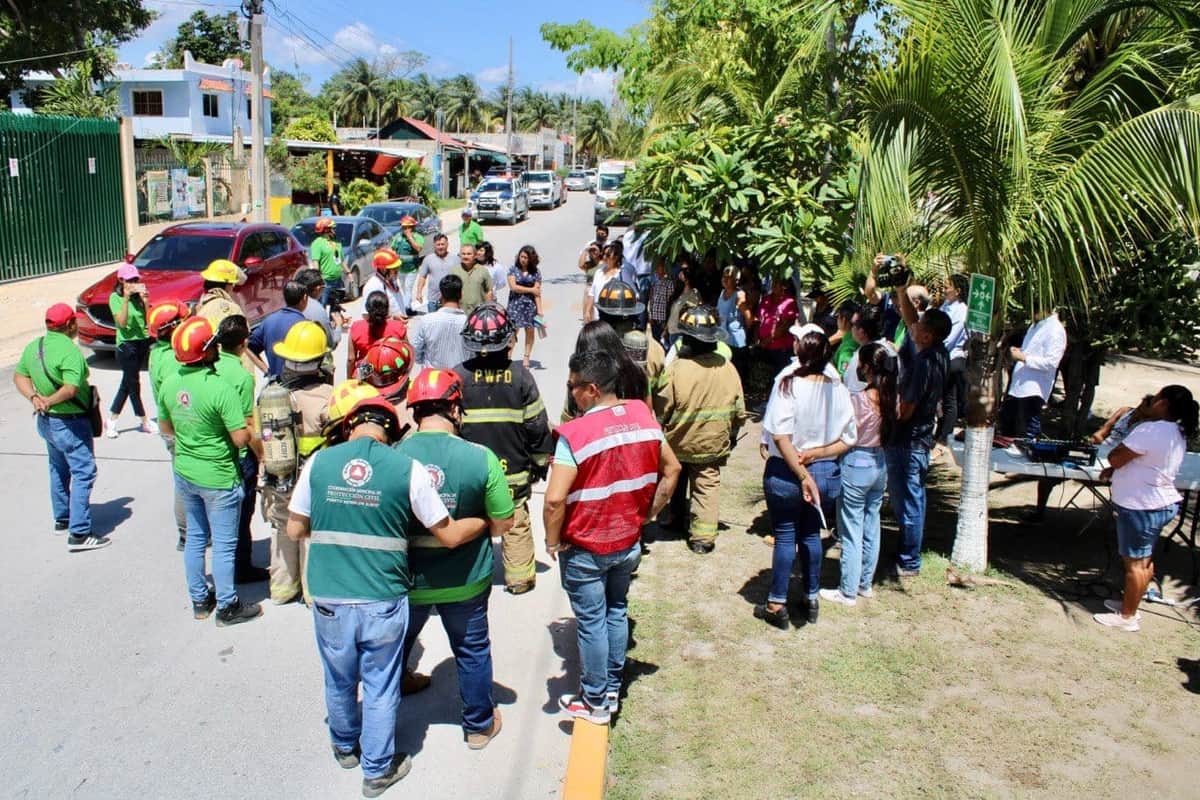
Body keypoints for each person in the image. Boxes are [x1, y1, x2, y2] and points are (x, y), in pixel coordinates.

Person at [286, 394, 488, 798]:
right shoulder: (408, 468)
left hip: (329, 595)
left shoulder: (319, 464)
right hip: (382, 595)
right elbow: (447, 534)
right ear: (392, 432)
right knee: (379, 683)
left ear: (349, 426)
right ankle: (377, 770)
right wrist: (482, 522)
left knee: (339, 677)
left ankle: (345, 747)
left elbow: (294, 531)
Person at [546, 350, 681, 724]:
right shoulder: (643, 415)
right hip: (628, 540)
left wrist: (552, 541)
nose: (570, 394)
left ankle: (594, 702)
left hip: (586, 546)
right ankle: (610, 689)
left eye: (573, 387)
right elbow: (672, 469)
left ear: (591, 389)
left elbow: (555, 499)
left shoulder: (574, 434)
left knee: (591, 621)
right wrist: (648, 513)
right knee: (617, 610)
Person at [397, 369, 515, 748]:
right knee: (472, 649)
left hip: (407, 580)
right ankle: (479, 726)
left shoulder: (393, 456)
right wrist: (477, 523)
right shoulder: (480, 457)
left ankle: (396, 686)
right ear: (455, 408)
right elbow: (503, 523)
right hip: (465, 579)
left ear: (415, 412)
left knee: (399, 641)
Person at [157, 317, 261, 626]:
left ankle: (200, 599)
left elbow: (166, 427)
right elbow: (241, 438)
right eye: (212, 344)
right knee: (225, 544)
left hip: (186, 473)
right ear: (206, 351)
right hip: (218, 476)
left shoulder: (171, 382)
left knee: (196, 538)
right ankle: (228, 606)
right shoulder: (220, 388)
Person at [754, 326, 855, 629]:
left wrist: (801, 470)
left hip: (788, 470)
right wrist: (818, 454)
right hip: (825, 470)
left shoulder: (789, 383)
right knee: (811, 534)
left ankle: (777, 602)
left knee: (786, 534)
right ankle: (811, 596)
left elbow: (781, 435)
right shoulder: (837, 385)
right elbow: (848, 438)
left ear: (800, 351)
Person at [456, 304, 553, 594]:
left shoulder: (457, 377)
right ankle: (520, 577)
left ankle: (470, 579)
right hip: (513, 475)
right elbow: (537, 427)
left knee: (470, 525)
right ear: (508, 340)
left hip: (470, 476)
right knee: (516, 521)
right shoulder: (522, 377)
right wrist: (539, 464)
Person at [1094, 386, 1198, 632]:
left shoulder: (1151, 429)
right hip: (1154, 503)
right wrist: (1117, 469)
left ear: (1163, 403)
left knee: (1135, 565)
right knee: (1144, 560)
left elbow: (1117, 457)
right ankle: (1129, 604)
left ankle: (1127, 617)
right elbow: (1145, 461)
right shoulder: (1176, 430)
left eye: (1157, 397)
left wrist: (1114, 462)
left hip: (1142, 506)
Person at [654, 305, 747, 554]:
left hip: (678, 444)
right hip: (711, 444)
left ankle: (671, 517)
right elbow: (739, 411)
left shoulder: (676, 369)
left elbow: (662, 409)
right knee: (706, 484)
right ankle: (703, 539)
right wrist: (732, 435)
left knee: (675, 475)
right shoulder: (727, 368)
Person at [14, 303, 105, 551]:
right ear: (70, 325)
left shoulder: (36, 346)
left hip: (46, 422)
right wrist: (49, 400)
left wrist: (36, 399)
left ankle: (63, 517)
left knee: (58, 468)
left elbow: (19, 376)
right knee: (84, 471)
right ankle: (79, 533)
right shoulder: (69, 351)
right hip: (70, 422)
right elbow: (71, 388)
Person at [882, 255, 951, 578]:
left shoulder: (923, 364)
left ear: (928, 335)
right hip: (918, 439)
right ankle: (909, 553)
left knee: (907, 502)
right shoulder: (937, 353)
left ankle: (909, 560)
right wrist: (901, 287)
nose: (914, 327)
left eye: (920, 327)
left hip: (909, 441)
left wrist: (885, 411)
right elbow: (910, 316)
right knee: (913, 500)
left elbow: (906, 408)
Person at [257, 331, 337, 605]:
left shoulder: (271, 394)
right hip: (313, 477)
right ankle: (311, 592)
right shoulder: (329, 396)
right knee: (310, 529)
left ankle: (281, 589)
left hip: (278, 475)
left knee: (281, 526)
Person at [820, 342, 897, 606]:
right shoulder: (890, 398)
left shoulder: (859, 400)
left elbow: (842, 431)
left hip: (856, 462)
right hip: (879, 463)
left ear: (865, 367)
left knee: (851, 529)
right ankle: (864, 583)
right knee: (871, 525)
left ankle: (847, 590)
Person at [215, 314, 270, 584]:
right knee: (242, 514)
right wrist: (260, 454)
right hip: (240, 456)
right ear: (244, 343)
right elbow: (248, 423)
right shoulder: (241, 375)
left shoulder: (211, 367)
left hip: (215, 451)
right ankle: (241, 567)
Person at [147, 301, 191, 551]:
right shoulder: (174, 360)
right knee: (187, 482)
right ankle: (188, 534)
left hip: (170, 426)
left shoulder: (157, 353)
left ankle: (187, 533)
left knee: (182, 479)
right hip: (181, 428)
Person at [998, 307, 1067, 438]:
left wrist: (1024, 358)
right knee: (1007, 421)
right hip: (1019, 385)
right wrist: (1018, 352)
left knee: (1027, 427)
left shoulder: (1055, 330)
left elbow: (1051, 362)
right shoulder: (1035, 326)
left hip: (1033, 387)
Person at [106, 264, 154, 438]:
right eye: (130, 280)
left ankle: (111, 420)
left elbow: (148, 323)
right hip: (126, 345)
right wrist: (125, 299)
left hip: (142, 341)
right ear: (121, 281)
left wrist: (146, 302)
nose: (133, 283)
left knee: (127, 383)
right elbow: (122, 323)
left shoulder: (139, 298)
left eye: (135, 280)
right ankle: (144, 420)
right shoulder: (115, 298)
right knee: (133, 384)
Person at [197, 258, 267, 374]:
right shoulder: (229, 309)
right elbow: (244, 344)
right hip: (234, 371)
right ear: (227, 285)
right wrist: (264, 369)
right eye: (232, 284)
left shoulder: (201, 308)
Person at [935, 274, 969, 450]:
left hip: (953, 358)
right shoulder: (946, 305)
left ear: (957, 291)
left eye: (948, 286)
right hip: (941, 356)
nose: (944, 289)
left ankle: (945, 436)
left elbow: (950, 337)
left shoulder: (962, 311)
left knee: (950, 399)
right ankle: (939, 432)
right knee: (941, 398)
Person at [248, 280, 308, 378]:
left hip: (276, 385)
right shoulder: (306, 326)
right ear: (305, 298)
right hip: (298, 385)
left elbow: (248, 346)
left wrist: (266, 370)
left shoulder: (268, 321)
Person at [410, 275, 469, 370]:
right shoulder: (469, 323)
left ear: (441, 295)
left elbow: (415, 349)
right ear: (461, 294)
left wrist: (424, 362)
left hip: (432, 379)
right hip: (459, 378)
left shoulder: (426, 320)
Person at [348, 292, 408, 378]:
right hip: (391, 373)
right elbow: (406, 353)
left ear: (367, 308)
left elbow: (351, 359)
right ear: (387, 309)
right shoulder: (398, 327)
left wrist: (349, 379)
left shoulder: (356, 327)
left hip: (365, 374)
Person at [507, 244, 544, 368]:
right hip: (515, 305)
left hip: (530, 307)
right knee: (512, 332)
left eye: (525, 257)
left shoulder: (536, 273)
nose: (522, 259)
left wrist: (540, 310)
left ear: (531, 259)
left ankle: (526, 357)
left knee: (530, 331)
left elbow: (537, 292)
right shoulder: (513, 269)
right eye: (521, 256)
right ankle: (508, 356)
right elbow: (514, 287)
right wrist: (530, 290)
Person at [756, 277, 799, 375]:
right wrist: (757, 339)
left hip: (780, 348)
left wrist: (767, 340)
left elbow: (785, 326)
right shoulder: (766, 299)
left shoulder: (789, 302)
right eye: (773, 283)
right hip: (763, 346)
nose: (773, 285)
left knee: (779, 375)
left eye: (777, 283)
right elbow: (759, 320)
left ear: (784, 286)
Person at [843, 304, 890, 393]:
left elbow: (853, 390)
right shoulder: (890, 348)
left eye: (853, 324)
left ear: (861, 331)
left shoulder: (863, 355)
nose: (850, 327)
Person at [295, 268, 344, 350]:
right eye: (323, 287)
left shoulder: (292, 303)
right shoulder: (317, 309)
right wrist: (339, 324)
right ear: (317, 289)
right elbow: (331, 343)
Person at [717, 265, 751, 381]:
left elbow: (748, 318)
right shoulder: (722, 293)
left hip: (736, 340)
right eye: (724, 277)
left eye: (729, 277)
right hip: (722, 338)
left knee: (736, 372)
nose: (725, 280)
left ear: (736, 280)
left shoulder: (739, 295)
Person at [414, 234, 459, 312]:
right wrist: (419, 292)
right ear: (434, 245)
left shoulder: (456, 259)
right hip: (433, 300)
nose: (440, 247)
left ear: (447, 244)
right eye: (438, 244)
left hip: (450, 300)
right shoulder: (428, 259)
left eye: (443, 244)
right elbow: (422, 277)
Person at [361, 248, 408, 321]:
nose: (397, 270)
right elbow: (367, 316)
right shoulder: (373, 286)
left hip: (399, 328)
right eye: (394, 268)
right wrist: (392, 319)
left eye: (398, 267)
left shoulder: (393, 280)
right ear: (384, 269)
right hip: (386, 330)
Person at [389, 215, 424, 305]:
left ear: (412, 227)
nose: (404, 229)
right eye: (403, 227)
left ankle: (405, 309)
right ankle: (409, 306)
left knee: (408, 287)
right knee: (404, 288)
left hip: (412, 268)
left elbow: (418, 248)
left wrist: (410, 238)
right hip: (400, 268)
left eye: (406, 227)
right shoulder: (398, 236)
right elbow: (392, 249)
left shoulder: (418, 236)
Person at [309, 217, 344, 308]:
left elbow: (341, 260)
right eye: (332, 228)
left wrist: (349, 274)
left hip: (337, 279)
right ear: (326, 229)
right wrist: (318, 280)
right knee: (322, 305)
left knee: (335, 305)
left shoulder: (336, 241)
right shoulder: (317, 243)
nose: (334, 230)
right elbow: (315, 263)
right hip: (325, 281)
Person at [450, 243, 494, 315]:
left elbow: (489, 291)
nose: (466, 256)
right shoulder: (454, 271)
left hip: (479, 313)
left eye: (469, 254)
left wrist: (488, 309)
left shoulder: (483, 271)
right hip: (459, 312)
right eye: (463, 254)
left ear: (475, 255)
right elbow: (450, 292)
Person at [578, 224, 609, 321]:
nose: (593, 253)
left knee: (598, 316)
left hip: (600, 289)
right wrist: (587, 250)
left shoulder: (604, 263)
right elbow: (580, 265)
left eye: (602, 233)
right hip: (589, 289)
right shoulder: (589, 264)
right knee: (588, 316)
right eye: (598, 233)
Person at [588, 240, 623, 322]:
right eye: (603, 254)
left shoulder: (621, 274)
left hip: (614, 317)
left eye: (607, 255)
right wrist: (587, 312)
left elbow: (633, 294)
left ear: (615, 257)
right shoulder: (598, 272)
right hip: (598, 317)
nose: (604, 257)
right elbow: (592, 293)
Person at [647, 258, 673, 345]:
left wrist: (667, 321)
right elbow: (652, 300)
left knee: (663, 342)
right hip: (654, 318)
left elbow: (670, 302)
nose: (657, 270)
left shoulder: (669, 284)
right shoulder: (655, 283)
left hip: (662, 319)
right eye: (656, 267)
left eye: (659, 267)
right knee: (655, 341)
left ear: (664, 269)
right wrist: (650, 315)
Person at [479, 242, 507, 307]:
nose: (478, 253)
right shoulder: (473, 265)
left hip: (490, 301)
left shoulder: (496, 267)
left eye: (481, 250)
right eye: (477, 250)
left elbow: (501, 283)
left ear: (488, 252)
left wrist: (492, 288)